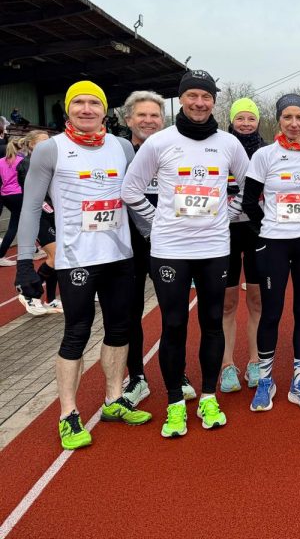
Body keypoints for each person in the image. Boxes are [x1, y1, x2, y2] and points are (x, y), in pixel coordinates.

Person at [16, 81, 151, 449]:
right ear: (69, 110)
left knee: (120, 330)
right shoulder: (50, 150)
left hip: (119, 256)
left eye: (94, 103)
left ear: (105, 110)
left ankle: (113, 399)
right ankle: (68, 413)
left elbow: (133, 196)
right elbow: (30, 207)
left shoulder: (122, 146)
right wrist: (25, 261)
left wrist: (154, 235)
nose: (87, 109)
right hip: (77, 259)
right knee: (76, 332)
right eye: (80, 103)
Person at [122, 69, 249, 437]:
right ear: (182, 99)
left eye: (206, 97)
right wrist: (155, 221)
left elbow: (249, 185)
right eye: (192, 95)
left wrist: (230, 213)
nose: (199, 102)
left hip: (213, 248)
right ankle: (175, 403)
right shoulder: (160, 142)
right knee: (174, 325)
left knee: (212, 323)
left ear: (214, 101)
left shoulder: (228, 143)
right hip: (170, 250)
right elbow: (131, 190)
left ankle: (209, 396)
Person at [243, 94, 300, 411]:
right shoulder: (265, 156)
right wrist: (265, 234)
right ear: (279, 119)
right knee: (272, 312)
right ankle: (265, 381)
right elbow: (250, 203)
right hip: (274, 244)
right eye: (288, 117)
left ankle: (299, 380)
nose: (294, 123)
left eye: (299, 118)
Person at [118, 90, 166, 406]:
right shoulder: (116, 153)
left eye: (154, 115)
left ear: (162, 120)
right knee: (130, 312)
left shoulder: (172, 149)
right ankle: (137, 377)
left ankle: (179, 373)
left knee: (175, 312)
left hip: (167, 244)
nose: (148, 120)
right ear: (128, 119)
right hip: (128, 247)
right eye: (142, 115)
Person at [219, 98, 266, 394]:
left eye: (251, 118)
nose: (246, 123)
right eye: (241, 118)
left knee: (258, 300)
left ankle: (255, 361)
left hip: (257, 230)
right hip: (224, 232)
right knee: (227, 302)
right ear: (232, 121)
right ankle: (226, 365)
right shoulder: (220, 147)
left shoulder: (266, 151)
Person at [13, 130, 59, 314]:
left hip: (54, 215)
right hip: (39, 217)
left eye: (49, 141)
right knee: (56, 257)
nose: (47, 145)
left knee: (59, 259)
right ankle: (29, 294)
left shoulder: (52, 162)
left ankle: (51, 299)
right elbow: (34, 196)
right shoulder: (26, 165)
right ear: (31, 145)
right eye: (42, 142)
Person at [0, 138, 25, 266]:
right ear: (20, 148)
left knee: (21, 222)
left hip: (5, 195)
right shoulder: (21, 161)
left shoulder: (0, 161)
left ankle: (35, 249)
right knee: (14, 226)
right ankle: (1, 255)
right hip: (17, 194)